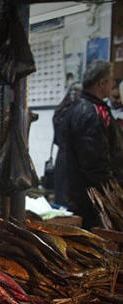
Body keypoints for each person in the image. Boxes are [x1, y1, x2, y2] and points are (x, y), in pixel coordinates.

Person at [62, 60, 123, 228]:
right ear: (101, 82)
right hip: (91, 198)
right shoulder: (88, 112)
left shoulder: (80, 107)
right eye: (111, 80)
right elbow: (95, 162)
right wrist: (112, 193)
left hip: (84, 194)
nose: (113, 84)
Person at [51, 82, 81, 207]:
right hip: (73, 158)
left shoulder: (60, 110)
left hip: (62, 157)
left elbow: (57, 139)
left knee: (61, 196)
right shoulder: (77, 112)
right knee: (69, 197)